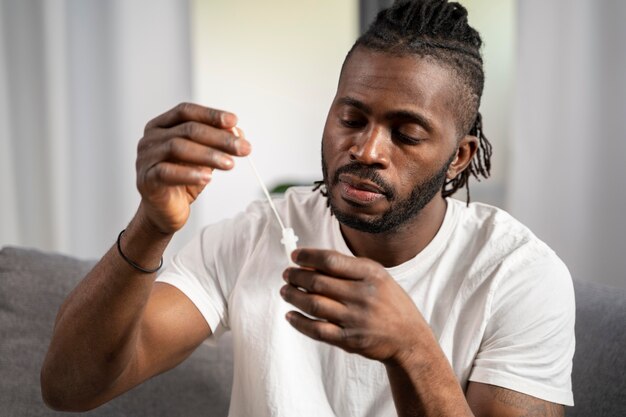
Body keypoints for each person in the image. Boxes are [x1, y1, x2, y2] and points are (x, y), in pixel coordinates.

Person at [41, 1, 575, 416]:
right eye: (351, 118)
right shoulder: (258, 235)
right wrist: (151, 226)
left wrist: (411, 350)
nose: (366, 151)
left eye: (406, 134)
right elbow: (69, 388)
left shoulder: (520, 277)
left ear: (458, 158)